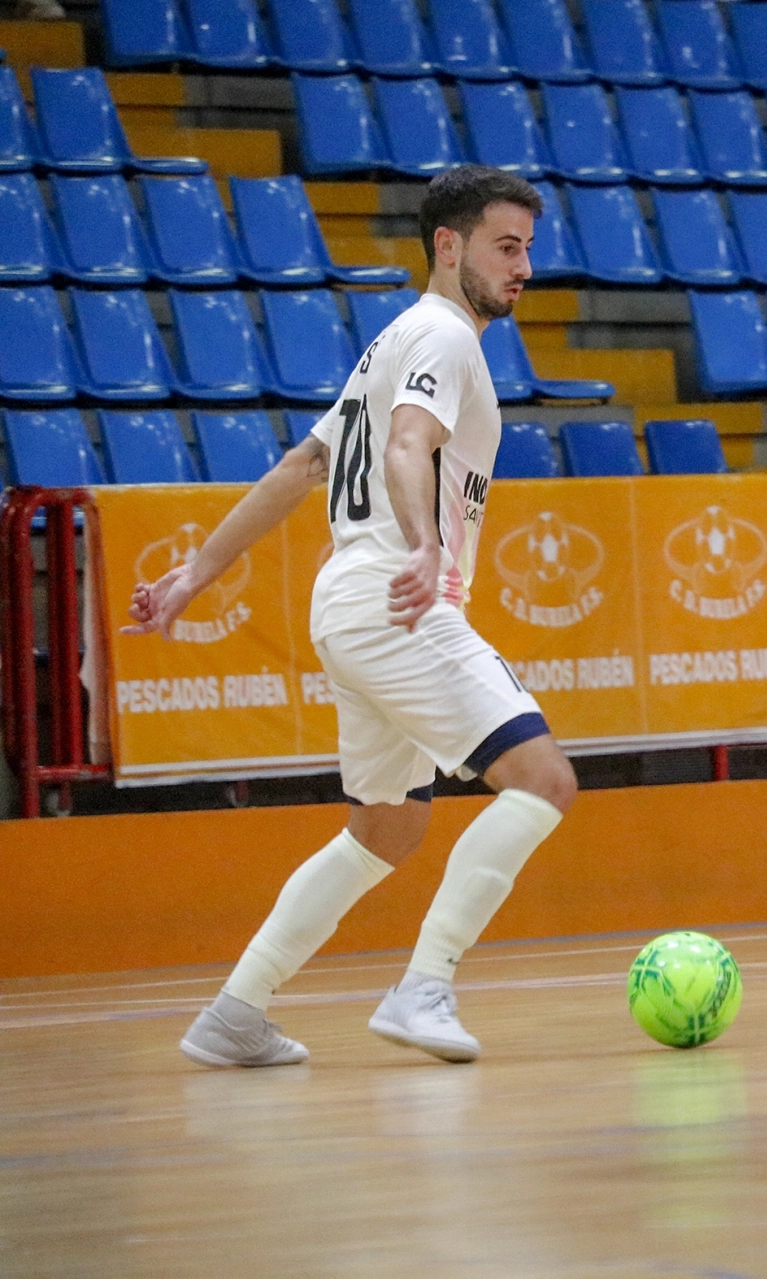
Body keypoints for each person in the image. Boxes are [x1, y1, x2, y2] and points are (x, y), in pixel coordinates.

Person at [126, 166, 579, 1066]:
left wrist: (194, 573)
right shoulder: (443, 337)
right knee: (542, 779)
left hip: (352, 601)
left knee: (385, 827)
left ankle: (234, 1015)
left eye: (528, 247)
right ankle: (425, 986)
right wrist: (422, 542)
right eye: (507, 245)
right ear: (448, 247)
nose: (524, 265)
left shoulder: (395, 342)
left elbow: (302, 466)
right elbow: (411, 444)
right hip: (396, 595)